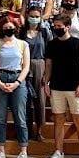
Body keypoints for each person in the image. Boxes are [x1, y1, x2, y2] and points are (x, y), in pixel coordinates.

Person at [44, 14, 79, 158]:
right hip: (57, 87)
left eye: (59, 26)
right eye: (55, 26)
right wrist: (46, 82)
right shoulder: (51, 45)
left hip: (75, 88)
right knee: (58, 120)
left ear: (67, 26)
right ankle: (58, 151)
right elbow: (49, 65)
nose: (56, 28)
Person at [0, 16, 30, 158]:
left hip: (17, 78)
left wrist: (17, 82)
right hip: (1, 77)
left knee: (20, 116)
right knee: (1, 117)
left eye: (11, 26)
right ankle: (1, 149)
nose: (8, 29)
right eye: (5, 27)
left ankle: (23, 150)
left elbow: (26, 66)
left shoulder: (23, 44)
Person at [22, 10, 49, 139]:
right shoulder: (22, 33)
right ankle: (26, 129)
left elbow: (49, 54)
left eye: (37, 16)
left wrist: (47, 74)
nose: (34, 19)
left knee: (40, 99)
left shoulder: (44, 32)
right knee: (25, 99)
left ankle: (39, 130)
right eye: (32, 16)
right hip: (24, 67)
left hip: (40, 65)